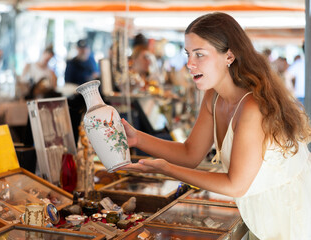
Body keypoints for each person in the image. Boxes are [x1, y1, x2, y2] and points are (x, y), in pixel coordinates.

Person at [119, 12, 311, 240]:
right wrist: (137, 139)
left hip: (289, 217)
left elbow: (235, 185)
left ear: (229, 56)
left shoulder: (251, 107)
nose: (189, 64)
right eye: (188, 54)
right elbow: (191, 153)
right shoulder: (213, 97)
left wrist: (166, 169)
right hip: (259, 215)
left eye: (199, 54)